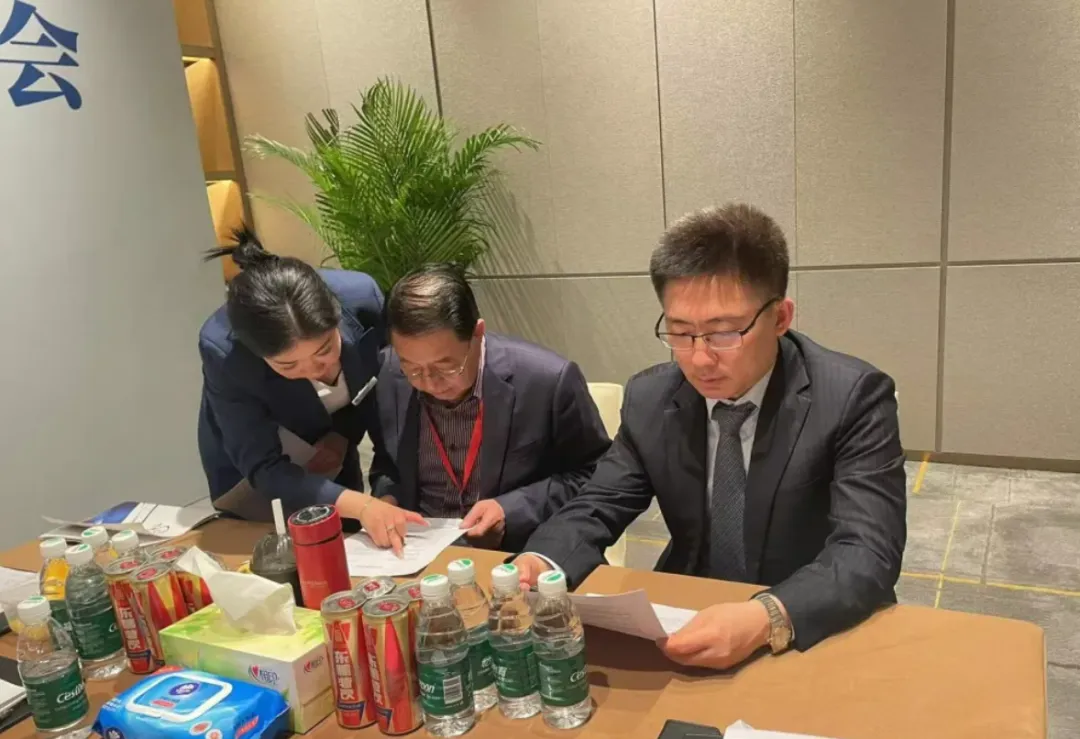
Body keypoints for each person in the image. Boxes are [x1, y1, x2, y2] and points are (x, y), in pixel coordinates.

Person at [513, 204, 907, 669]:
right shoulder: (651, 397)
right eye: (680, 333)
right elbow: (599, 502)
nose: (700, 360)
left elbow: (866, 550)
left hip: (808, 617)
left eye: (724, 333)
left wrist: (766, 616)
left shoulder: (851, 397)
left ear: (781, 317)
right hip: (690, 610)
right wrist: (543, 559)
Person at [198, 230, 422, 554]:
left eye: (325, 350)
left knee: (347, 543)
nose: (314, 370)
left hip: (332, 450)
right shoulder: (224, 351)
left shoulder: (363, 299)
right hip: (257, 473)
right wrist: (362, 505)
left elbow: (380, 391)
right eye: (288, 365)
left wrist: (348, 441)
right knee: (275, 554)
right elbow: (263, 466)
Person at [370, 264, 612, 552]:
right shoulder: (388, 372)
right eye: (413, 369)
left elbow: (595, 474)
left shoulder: (547, 381)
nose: (430, 383)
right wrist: (387, 500)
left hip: (516, 552)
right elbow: (387, 463)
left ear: (478, 333)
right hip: (415, 549)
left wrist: (511, 510)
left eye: (446, 367)